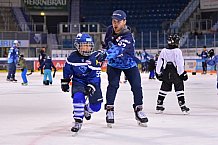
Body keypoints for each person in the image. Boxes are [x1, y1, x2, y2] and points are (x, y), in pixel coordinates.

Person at [100, 10, 148, 127]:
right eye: (113, 21)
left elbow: (117, 50)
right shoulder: (109, 30)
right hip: (114, 64)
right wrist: (105, 49)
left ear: (124, 22)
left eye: (118, 21)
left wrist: (104, 55)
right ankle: (109, 110)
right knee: (113, 85)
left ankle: (138, 109)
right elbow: (107, 45)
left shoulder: (128, 36)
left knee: (136, 86)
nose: (115, 24)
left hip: (129, 64)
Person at [61, 33, 103, 133]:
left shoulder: (94, 57)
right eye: (85, 45)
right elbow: (67, 70)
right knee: (78, 97)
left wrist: (91, 85)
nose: (87, 48)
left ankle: (86, 110)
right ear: (78, 45)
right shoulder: (72, 57)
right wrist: (65, 81)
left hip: (93, 82)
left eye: (89, 45)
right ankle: (78, 120)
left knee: (96, 107)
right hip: (78, 81)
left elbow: (95, 75)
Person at [155, 34, 190, 114]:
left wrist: (158, 73)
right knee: (179, 88)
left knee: (164, 88)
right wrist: (182, 74)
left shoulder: (163, 50)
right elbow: (180, 63)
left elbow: (159, 62)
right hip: (175, 73)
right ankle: (183, 106)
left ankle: (159, 105)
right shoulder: (177, 51)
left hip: (166, 72)